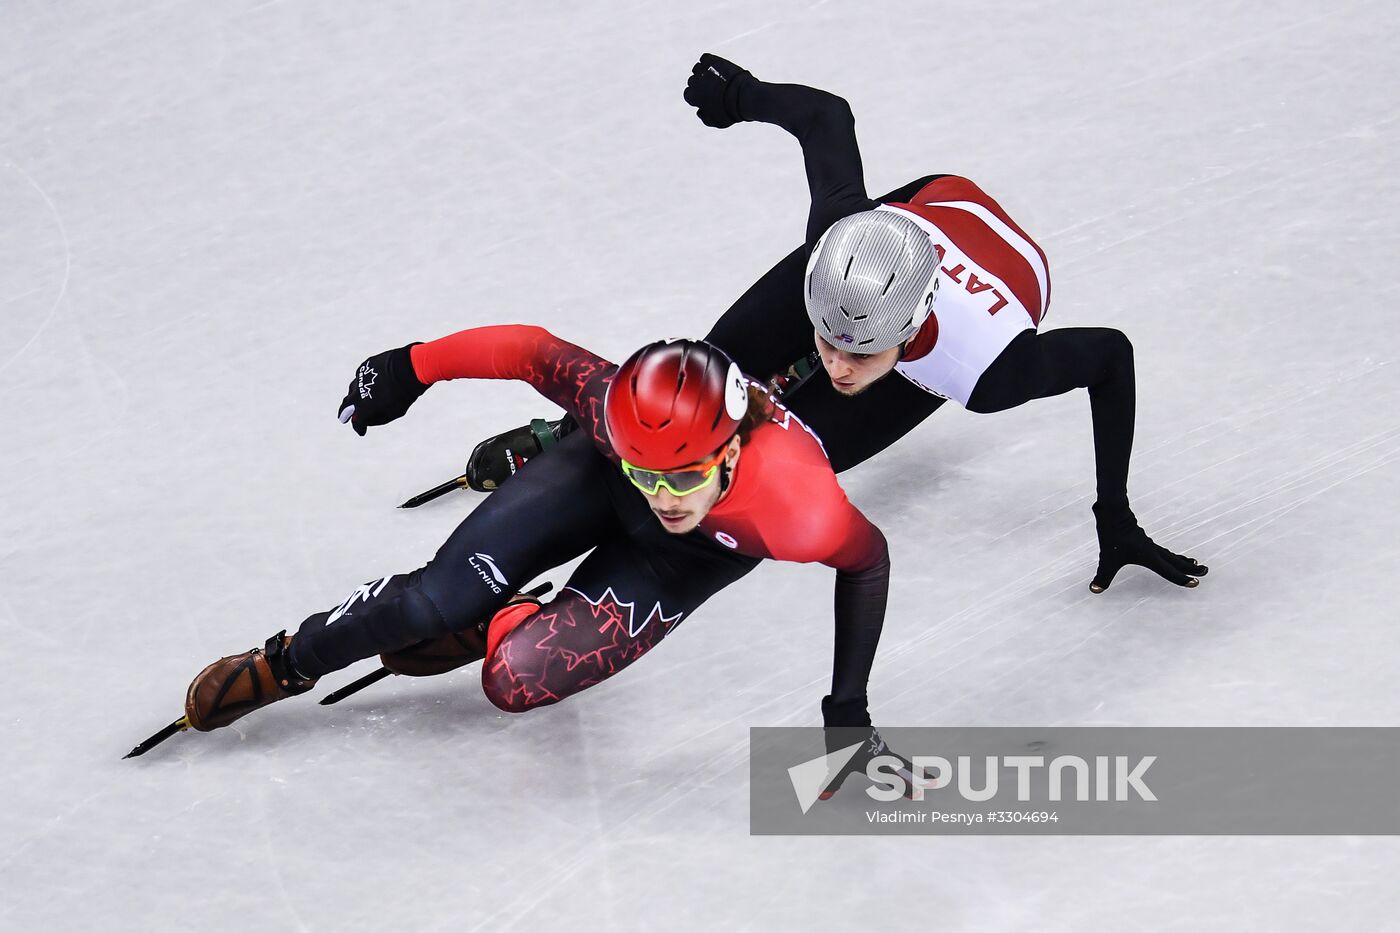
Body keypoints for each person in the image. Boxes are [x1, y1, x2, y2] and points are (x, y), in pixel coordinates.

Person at [169, 327, 902, 786]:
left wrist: (846, 710)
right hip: (595, 477)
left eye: (683, 478)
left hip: (685, 562)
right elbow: (526, 350)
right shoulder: (611, 409)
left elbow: (867, 563)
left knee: (513, 680)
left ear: (732, 452)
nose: (663, 496)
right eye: (647, 472)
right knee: (430, 602)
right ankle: (288, 661)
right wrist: (408, 369)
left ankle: (497, 618)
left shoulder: (799, 506)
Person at [682, 54, 1207, 594]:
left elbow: (1112, 355)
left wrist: (1115, 513)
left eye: (860, 355)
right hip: (929, 205)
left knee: (778, 462)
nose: (837, 366)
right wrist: (739, 95)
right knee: (701, 376)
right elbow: (825, 116)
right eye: (827, 342)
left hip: (992, 291)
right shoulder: (842, 233)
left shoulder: (985, 370)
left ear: (908, 337)